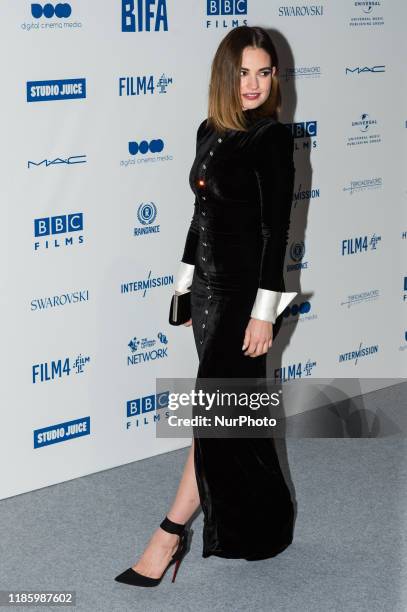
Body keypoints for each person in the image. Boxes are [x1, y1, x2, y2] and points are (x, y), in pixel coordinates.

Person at [115, 25, 297, 588]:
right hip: (210, 295)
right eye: (243, 72)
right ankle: (265, 524)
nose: (254, 83)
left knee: (212, 418)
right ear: (226, 74)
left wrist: (264, 312)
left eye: (264, 72)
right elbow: (200, 216)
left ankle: (168, 535)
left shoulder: (271, 139)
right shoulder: (209, 130)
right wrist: (183, 287)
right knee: (233, 417)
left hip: (245, 300)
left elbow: (276, 231)